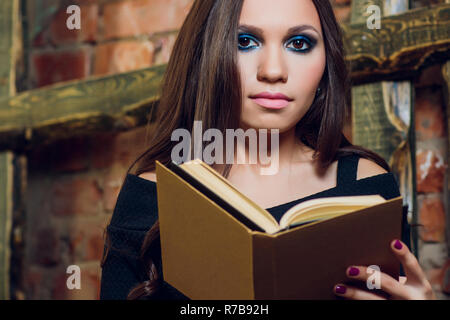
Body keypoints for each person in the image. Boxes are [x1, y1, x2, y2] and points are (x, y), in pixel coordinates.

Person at [100, 0, 436, 300]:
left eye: (299, 43)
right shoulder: (151, 195)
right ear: (208, 55)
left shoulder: (367, 187)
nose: (273, 71)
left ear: (325, 63)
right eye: (245, 42)